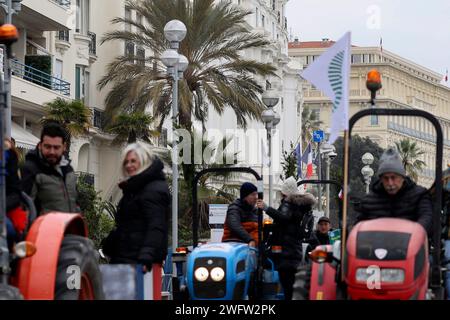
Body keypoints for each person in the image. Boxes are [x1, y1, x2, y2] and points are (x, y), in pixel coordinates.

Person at [103, 142, 170, 272]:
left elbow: (156, 226)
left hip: (139, 262)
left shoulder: (152, 189)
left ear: (144, 161)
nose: (129, 165)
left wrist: (146, 257)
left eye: (133, 161)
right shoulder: (136, 188)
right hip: (129, 258)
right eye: (126, 162)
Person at [256, 176, 316, 300]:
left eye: (282, 195)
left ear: (286, 193)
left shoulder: (289, 204)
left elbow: (283, 218)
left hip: (286, 252)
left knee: (287, 286)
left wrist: (266, 208)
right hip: (295, 251)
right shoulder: (302, 207)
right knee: (292, 287)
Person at [354, 147, 433, 236]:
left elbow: (427, 218)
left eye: (393, 177)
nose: (390, 183)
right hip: (377, 246)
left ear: (402, 177)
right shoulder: (369, 200)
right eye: (386, 178)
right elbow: (359, 225)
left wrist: (417, 231)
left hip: (411, 245)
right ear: (381, 179)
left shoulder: (419, 196)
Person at [21, 123, 79, 215]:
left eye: (56, 147)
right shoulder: (31, 169)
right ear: (40, 145)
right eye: (48, 147)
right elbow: (24, 208)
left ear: (64, 147)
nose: (52, 152)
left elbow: (75, 202)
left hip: (69, 227)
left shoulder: (68, 170)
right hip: (43, 228)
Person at [222, 182, 259, 247]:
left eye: (256, 195)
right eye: (253, 195)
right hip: (234, 244)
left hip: (253, 246)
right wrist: (250, 240)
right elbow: (234, 225)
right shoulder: (234, 208)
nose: (256, 197)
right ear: (245, 196)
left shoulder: (255, 211)